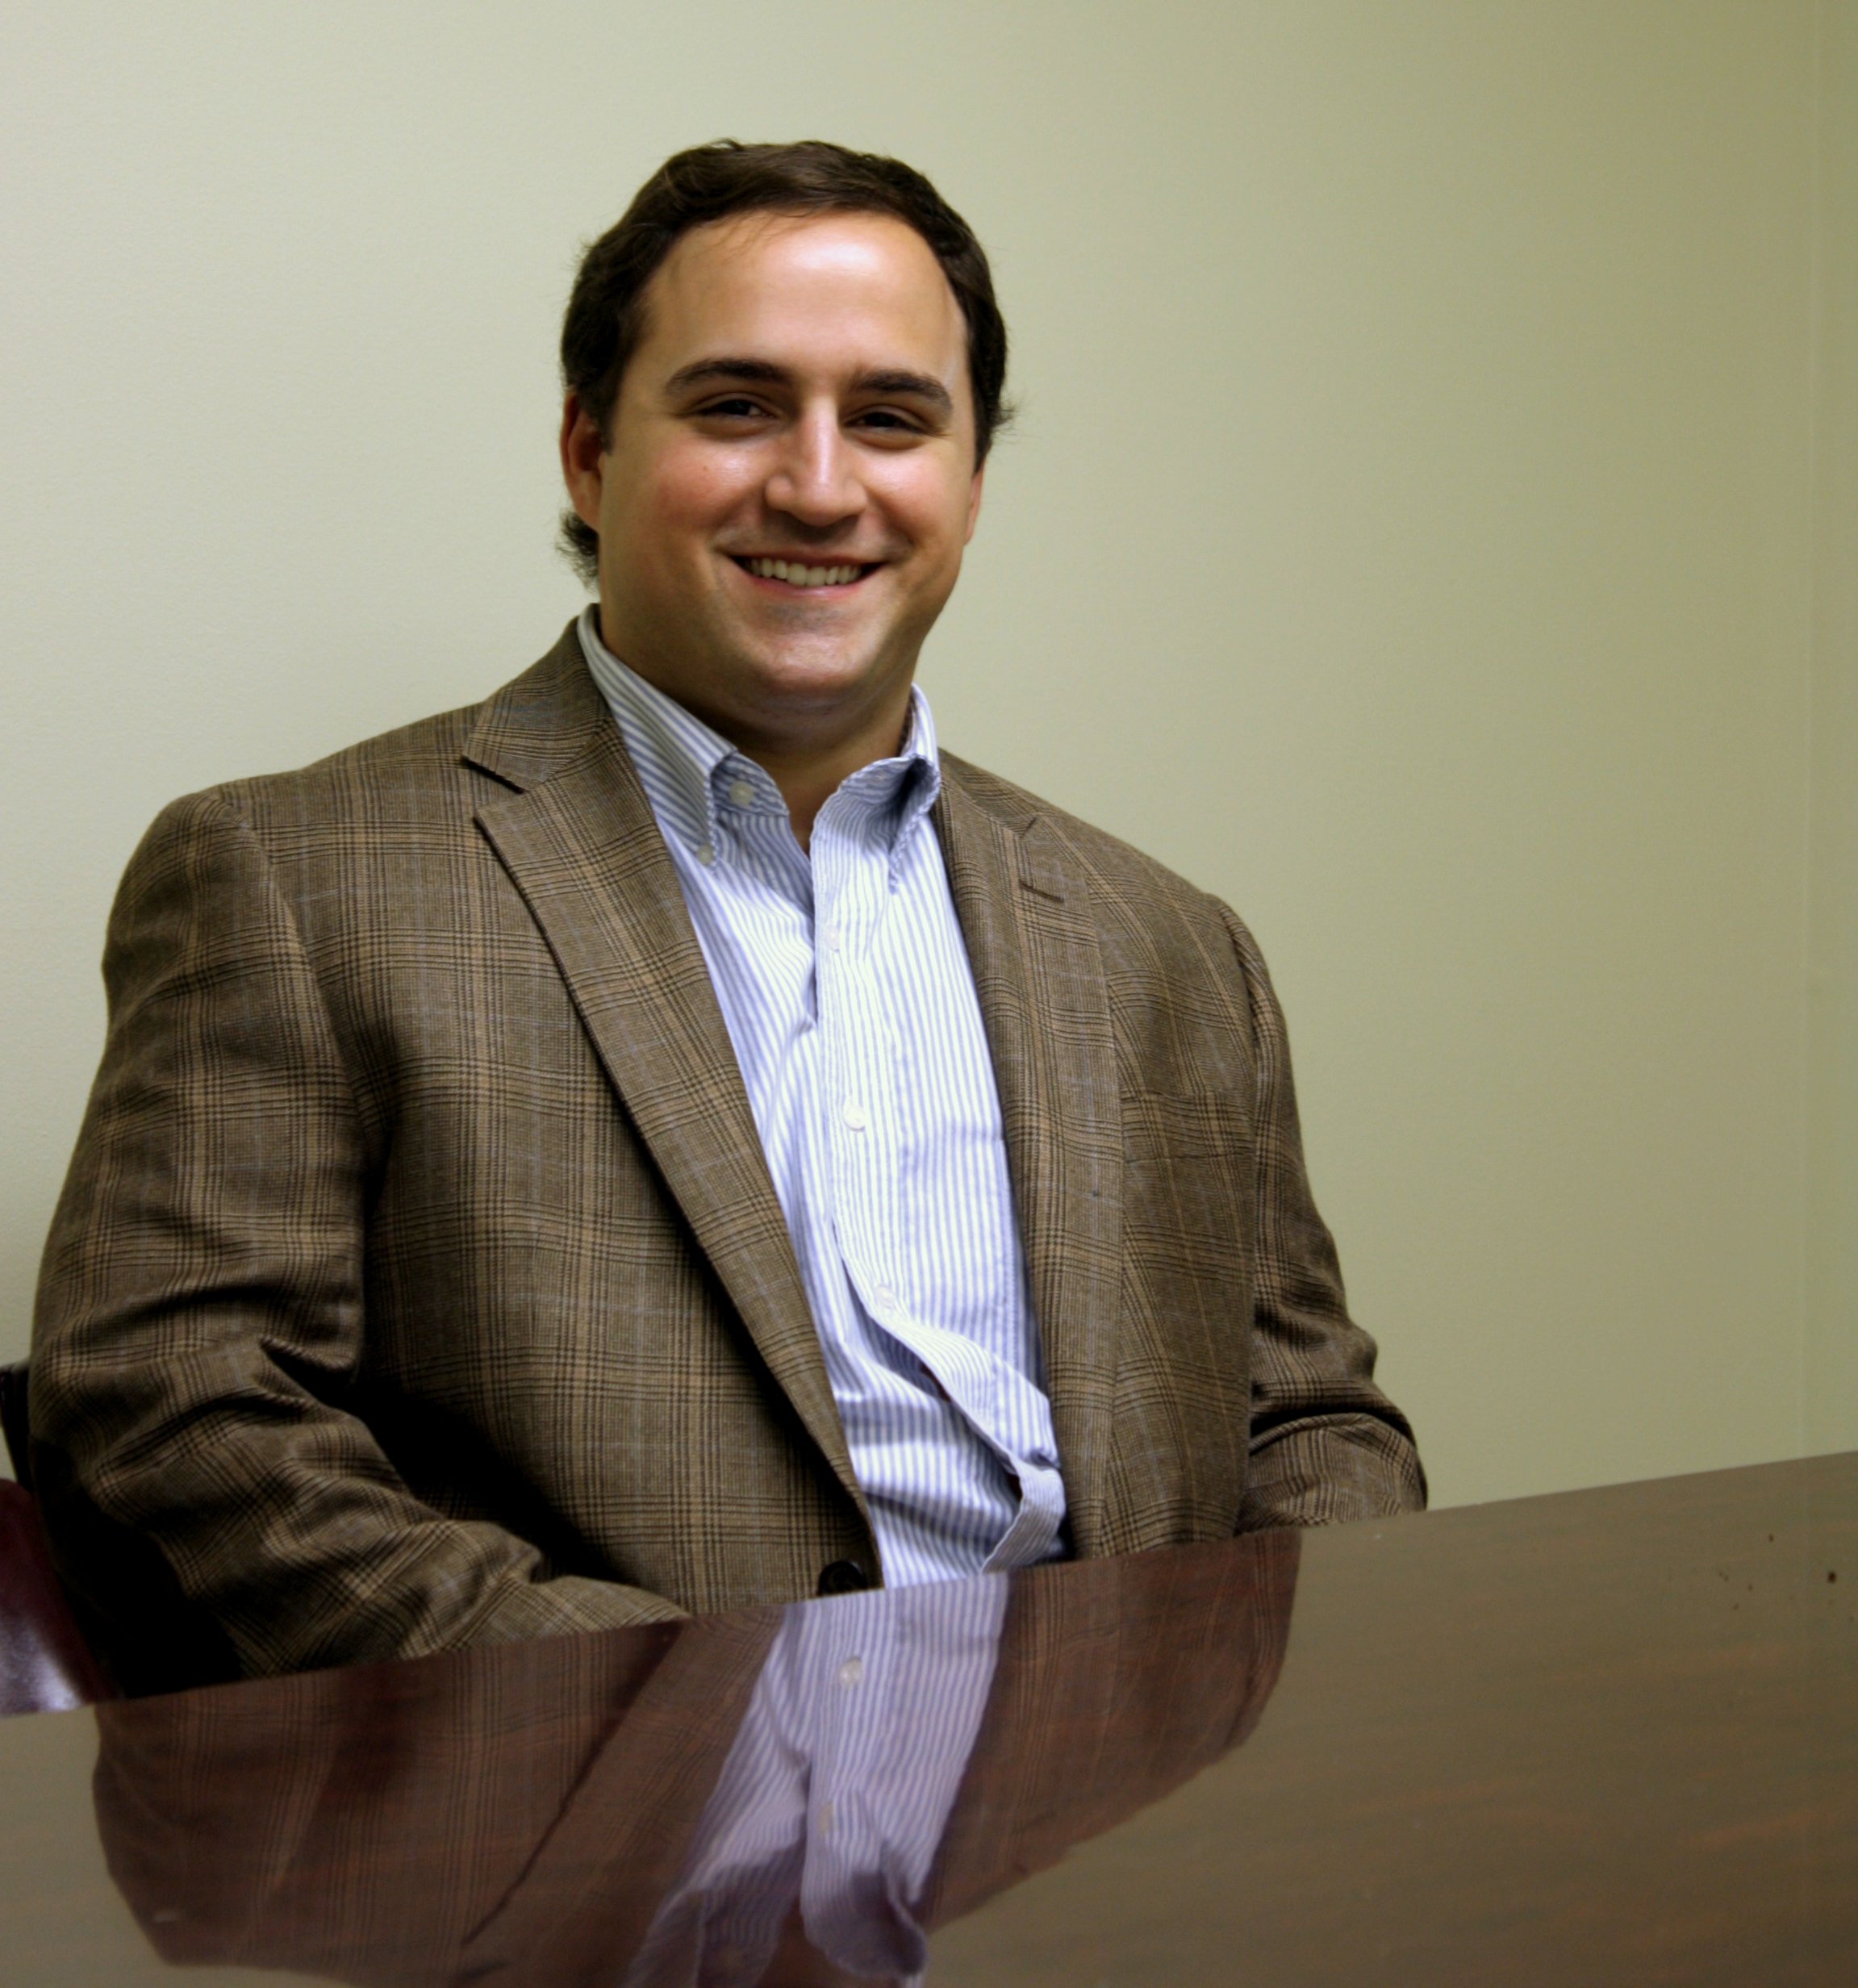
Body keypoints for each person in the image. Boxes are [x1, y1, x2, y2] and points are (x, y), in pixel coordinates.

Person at [31, 140, 1422, 1694]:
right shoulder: (294, 876)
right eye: (738, 406)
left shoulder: (1167, 945)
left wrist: (1242, 1718)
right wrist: (682, 1723)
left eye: (891, 419)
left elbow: (1306, 1420)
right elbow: (171, 1402)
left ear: (969, 482)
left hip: (1120, 1849)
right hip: (601, 1847)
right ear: (587, 451)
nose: (819, 486)